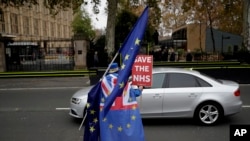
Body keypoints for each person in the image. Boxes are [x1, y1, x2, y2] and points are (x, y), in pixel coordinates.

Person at [99, 63, 145, 141]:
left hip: (108, 113)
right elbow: (134, 93)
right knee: (123, 132)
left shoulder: (103, 81)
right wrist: (140, 88)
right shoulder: (122, 81)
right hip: (124, 112)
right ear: (118, 70)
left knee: (110, 132)